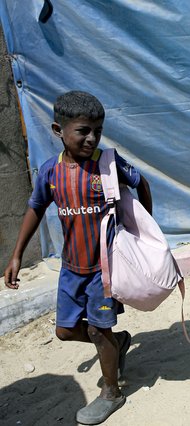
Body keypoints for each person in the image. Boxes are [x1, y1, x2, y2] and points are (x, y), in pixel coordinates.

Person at [3, 91, 152, 425]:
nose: (91, 138)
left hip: (105, 268)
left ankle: (112, 392)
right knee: (65, 331)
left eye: (97, 130)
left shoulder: (109, 164)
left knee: (99, 331)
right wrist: (16, 255)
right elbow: (35, 207)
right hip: (72, 268)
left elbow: (142, 184)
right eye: (83, 130)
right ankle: (119, 342)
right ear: (59, 129)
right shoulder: (50, 173)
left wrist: (143, 229)